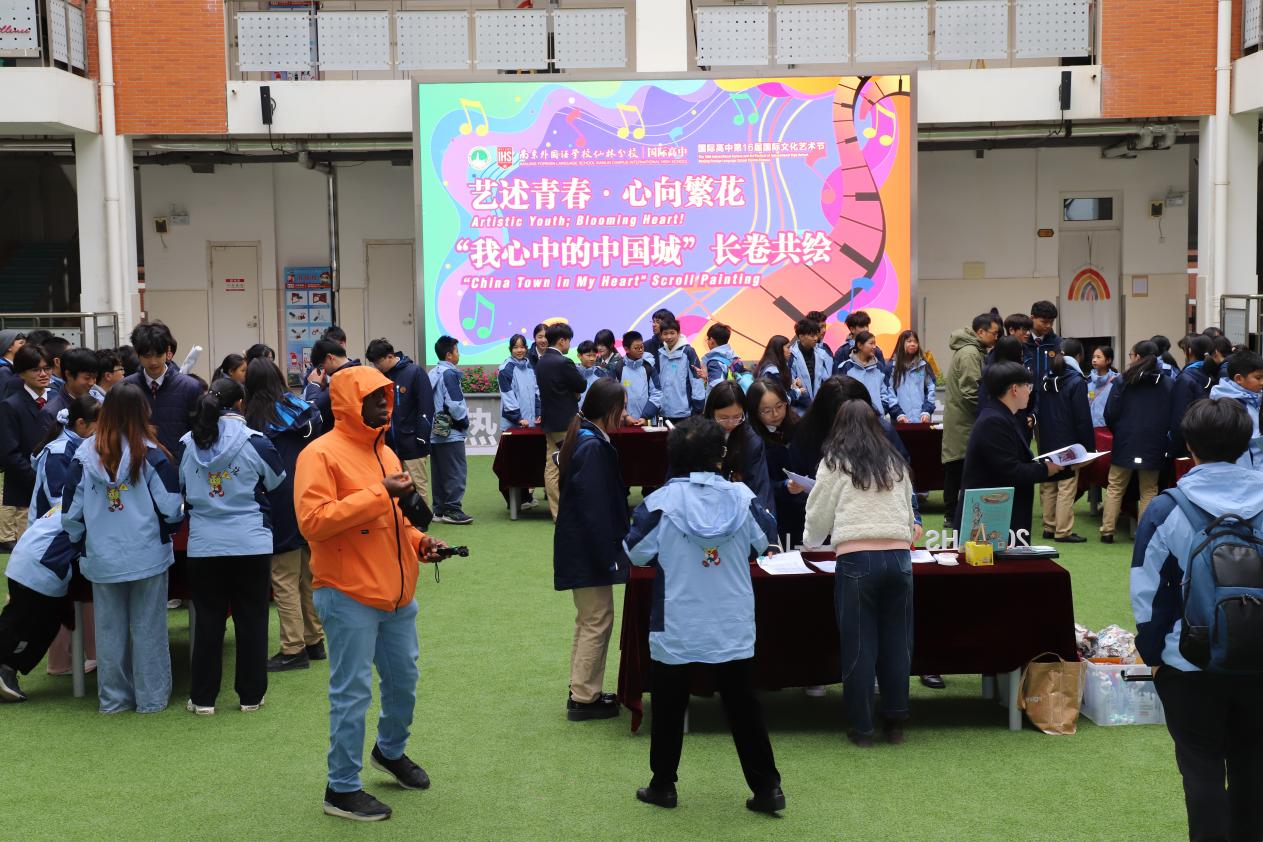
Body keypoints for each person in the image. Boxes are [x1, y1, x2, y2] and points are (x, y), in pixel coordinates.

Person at [295, 365, 446, 822]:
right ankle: (341, 788)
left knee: (404, 681)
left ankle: (389, 751)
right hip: (347, 593)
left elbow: (397, 520)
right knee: (352, 694)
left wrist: (420, 542)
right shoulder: (319, 454)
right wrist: (379, 492)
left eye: (387, 396)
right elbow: (313, 522)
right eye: (374, 397)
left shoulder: (388, 453)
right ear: (347, 403)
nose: (385, 404)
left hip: (396, 593)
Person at [625, 416, 784, 815]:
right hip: (731, 619)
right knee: (743, 706)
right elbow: (765, 541)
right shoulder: (743, 497)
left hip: (677, 619)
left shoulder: (658, 503)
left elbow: (635, 553)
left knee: (668, 706)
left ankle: (663, 785)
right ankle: (768, 788)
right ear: (720, 456)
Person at [1130, 398, 1263, 842]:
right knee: (1253, 769)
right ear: (1245, 443)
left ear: (1189, 445)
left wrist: (1153, 653)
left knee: (1201, 769)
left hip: (1189, 659)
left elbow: (1148, 591)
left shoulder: (1168, 507)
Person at [62, 383, 185, 714]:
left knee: (109, 632)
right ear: (143, 411)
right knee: (149, 629)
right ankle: (151, 699)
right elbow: (171, 506)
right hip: (148, 554)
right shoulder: (151, 453)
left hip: (102, 556)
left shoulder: (83, 455)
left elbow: (70, 515)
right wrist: (169, 529)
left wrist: (81, 541)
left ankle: (113, 700)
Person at [804, 400, 920, 747]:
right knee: (898, 643)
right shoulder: (895, 461)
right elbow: (908, 511)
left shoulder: (834, 462)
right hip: (899, 557)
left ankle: (862, 727)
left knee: (859, 646)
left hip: (856, 559)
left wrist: (810, 541)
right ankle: (896, 722)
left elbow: (818, 515)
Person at [179, 379, 286, 715]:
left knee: (208, 621)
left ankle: (203, 699)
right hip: (250, 541)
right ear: (241, 404)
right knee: (252, 619)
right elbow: (277, 481)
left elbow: (180, 487)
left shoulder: (187, 443)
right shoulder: (256, 442)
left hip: (204, 545)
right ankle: (251, 696)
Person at [552, 379, 629, 721]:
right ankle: (584, 698)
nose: (625, 415)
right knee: (597, 619)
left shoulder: (584, 438)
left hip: (580, 546)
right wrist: (607, 555)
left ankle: (582, 690)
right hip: (588, 548)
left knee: (590, 619)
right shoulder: (593, 446)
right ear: (609, 410)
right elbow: (595, 509)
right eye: (622, 408)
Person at [243, 359, 326, 672]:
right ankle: (314, 639)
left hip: (278, 499)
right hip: (310, 492)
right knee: (307, 572)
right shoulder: (303, 408)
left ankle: (293, 648)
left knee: (284, 576)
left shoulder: (255, 419)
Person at [28, 395, 100, 676]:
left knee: (76, 594)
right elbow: (60, 499)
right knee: (59, 597)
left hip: (64, 532)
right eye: (98, 425)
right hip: (51, 536)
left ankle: (85, 655)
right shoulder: (59, 451)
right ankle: (61, 661)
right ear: (81, 423)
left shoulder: (74, 444)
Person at [958, 362, 1066, 539]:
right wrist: (1046, 469)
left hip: (999, 511)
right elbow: (1011, 470)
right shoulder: (994, 421)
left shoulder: (1004, 416)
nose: (1030, 391)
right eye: (1028, 386)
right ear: (1014, 389)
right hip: (989, 514)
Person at [0, 499, 84, 702]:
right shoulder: (91, 498)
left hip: (28, 559)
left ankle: (7, 670)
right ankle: (6, 669)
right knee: (26, 625)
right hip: (42, 567)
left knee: (37, 624)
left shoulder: (73, 495)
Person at [1100, 341, 1175, 543]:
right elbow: (1172, 415)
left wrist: (1119, 432)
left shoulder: (1123, 380)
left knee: (1115, 486)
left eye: (1131, 354)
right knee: (1149, 490)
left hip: (1125, 440)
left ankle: (1107, 531)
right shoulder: (1167, 383)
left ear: (1138, 357)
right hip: (1154, 442)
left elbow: (1110, 413)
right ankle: (1144, 534)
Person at [941, 313, 1001, 529]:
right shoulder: (970, 353)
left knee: (957, 466)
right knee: (958, 467)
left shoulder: (972, 350)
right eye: (994, 333)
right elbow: (971, 391)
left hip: (963, 419)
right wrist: (988, 413)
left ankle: (953, 514)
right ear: (981, 332)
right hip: (965, 421)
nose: (996, 338)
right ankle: (951, 515)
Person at [1036, 339, 1095, 543]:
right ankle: (1063, 531)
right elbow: (1082, 418)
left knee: (1050, 483)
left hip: (1046, 438)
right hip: (1068, 440)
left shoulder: (1046, 378)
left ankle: (1049, 527)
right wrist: (1088, 447)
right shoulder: (1076, 381)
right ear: (1078, 356)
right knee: (1066, 486)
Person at [703, 382, 776, 543]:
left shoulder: (751, 441)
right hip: (701, 517)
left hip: (739, 521)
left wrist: (769, 538)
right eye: (723, 418)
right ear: (711, 413)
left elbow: (760, 489)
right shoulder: (697, 438)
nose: (730, 423)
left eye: (737, 417)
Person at [366, 338, 434, 507]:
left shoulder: (414, 372)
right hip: (388, 445)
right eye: (374, 363)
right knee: (393, 486)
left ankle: (421, 519)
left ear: (390, 356)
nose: (377, 366)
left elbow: (426, 405)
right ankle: (398, 517)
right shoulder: (379, 377)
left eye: (378, 362)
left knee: (417, 485)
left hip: (413, 443)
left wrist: (421, 437)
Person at [0, 345, 55, 549]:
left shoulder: (57, 398)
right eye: (35, 369)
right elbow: (9, 453)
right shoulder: (11, 405)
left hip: (59, 484)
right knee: (31, 548)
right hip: (27, 488)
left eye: (47, 368)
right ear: (21, 373)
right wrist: (38, 480)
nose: (43, 374)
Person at [123, 322, 204, 458]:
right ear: (137, 354)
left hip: (180, 463)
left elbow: (200, 431)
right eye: (147, 356)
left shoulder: (190, 387)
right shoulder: (125, 388)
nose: (153, 362)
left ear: (168, 352)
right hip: (138, 463)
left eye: (158, 355)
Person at [746, 379, 804, 548]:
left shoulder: (797, 424)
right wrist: (784, 486)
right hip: (775, 513)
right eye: (766, 411)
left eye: (779, 406)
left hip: (803, 508)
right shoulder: (752, 440)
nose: (775, 414)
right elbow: (758, 483)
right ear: (755, 412)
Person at [536, 323, 586, 520]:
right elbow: (581, 385)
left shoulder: (541, 361)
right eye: (569, 341)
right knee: (570, 466)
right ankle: (567, 512)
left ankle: (557, 512)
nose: (569, 345)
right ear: (562, 341)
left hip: (550, 421)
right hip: (565, 423)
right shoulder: (563, 362)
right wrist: (573, 393)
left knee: (551, 467)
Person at [428, 335, 472, 525]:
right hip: (451, 431)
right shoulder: (449, 374)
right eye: (457, 351)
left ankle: (439, 510)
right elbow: (454, 403)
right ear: (449, 355)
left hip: (436, 429)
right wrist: (463, 421)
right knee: (456, 471)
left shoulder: (433, 372)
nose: (458, 354)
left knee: (439, 472)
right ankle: (453, 510)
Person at [1208, 351, 1263, 469]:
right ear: (1238, 378)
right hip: (1248, 473)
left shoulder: (1253, 398)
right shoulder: (1231, 407)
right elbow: (1239, 453)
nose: (1262, 382)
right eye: (1258, 378)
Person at [1170, 334, 1218, 456]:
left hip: (1189, 444)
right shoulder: (1212, 372)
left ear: (1189, 350)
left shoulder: (1186, 378)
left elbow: (1179, 416)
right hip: (1210, 439)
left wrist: (1174, 447)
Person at [836, 330, 896, 417]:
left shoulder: (879, 366)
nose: (874, 347)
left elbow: (885, 392)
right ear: (860, 345)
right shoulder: (846, 367)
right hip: (853, 418)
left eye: (875, 343)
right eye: (871, 343)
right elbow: (841, 395)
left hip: (876, 418)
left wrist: (880, 410)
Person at [655, 318, 705, 422]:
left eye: (672, 333)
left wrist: (698, 408)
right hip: (663, 412)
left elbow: (696, 380)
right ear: (661, 335)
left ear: (678, 333)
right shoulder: (660, 353)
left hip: (685, 413)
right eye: (665, 333)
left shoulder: (688, 352)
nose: (669, 337)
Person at [307, 339, 360, 432]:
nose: (324, 372)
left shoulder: (342, 380)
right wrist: (324, 387)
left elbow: (312, 412)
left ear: (330, 358)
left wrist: (314, 385)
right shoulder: (360, 371)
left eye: (321, 367)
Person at [38, 347, 98, 428]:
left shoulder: (97, 402)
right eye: (87, 378)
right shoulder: (51, 412)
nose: (92, 383)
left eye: (95, 377)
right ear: (68, 374)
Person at [887, 329, 935, 424]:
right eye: (909, 341)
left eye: (915, 342)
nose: (913, 344)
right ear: (901, 344)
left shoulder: (924, 365)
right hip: (900, 420)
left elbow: (930, 388)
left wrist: (926, 411)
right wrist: (898, 414)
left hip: (922, 420)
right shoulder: (892, 367)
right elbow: (889, 392)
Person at [498, 335, 541, 432]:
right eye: (515, 347)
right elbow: (508, 398)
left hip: (531, 424)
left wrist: (538, 412)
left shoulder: (529, 367)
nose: (519, 350)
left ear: (526, 348)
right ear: (510, 349)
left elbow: (536, 392)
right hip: (513, 425)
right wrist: (519, 419)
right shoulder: (505, 369)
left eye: (522, 347)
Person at [619, 331, 661, 426]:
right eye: (636, 348)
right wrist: (626, 416)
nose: (641, 350)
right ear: (626, 349)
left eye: (642, 347)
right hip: (624, 422)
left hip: (647, 421)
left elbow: (657, 393)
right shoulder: (619, 368)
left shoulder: (649, 366)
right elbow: (614, 397)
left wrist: (645, 416)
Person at [1024, 300, 1061, 405]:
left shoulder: (1057, 343)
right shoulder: (1022, 342)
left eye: (1051, 322)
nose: (1049, 325)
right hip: (1025, 399)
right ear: (1032, 318)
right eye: (1044, 322)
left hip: (1050, 398)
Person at [755, 335, 805, 411]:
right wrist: (797, 391)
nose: (790, 351)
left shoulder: (771, 365)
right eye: (788, 347)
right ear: (779, 350)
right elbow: (781, 399)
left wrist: (793, 385)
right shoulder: (772, 372)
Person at [789, 318, 831, 405]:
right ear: (801, 337)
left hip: (817, 405)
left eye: (816, 335)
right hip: (798, 407)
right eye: (812, 336)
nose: (816, 338)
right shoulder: (791, 356)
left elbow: (825, 380)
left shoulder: (820, 354)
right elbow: (791, 385)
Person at [701, 323, 744, 390]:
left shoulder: (714, 362)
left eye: (708, 339)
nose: (707, 342)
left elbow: (716, 389)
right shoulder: (733, 357)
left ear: (712, 340)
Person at [1087, 346, 1117, 429]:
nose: (1094, 360)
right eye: (1093, 357)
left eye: (1098, 357)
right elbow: (1089, 399)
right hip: (1090, 427)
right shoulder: (1088, 381)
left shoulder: (1116, 381)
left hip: (1108, 428)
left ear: (1108, 360)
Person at [0, 329, 26, 395]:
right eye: (21, 343)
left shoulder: (13, 366)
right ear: (9, 347)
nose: (26, 346)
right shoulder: (4, 370)